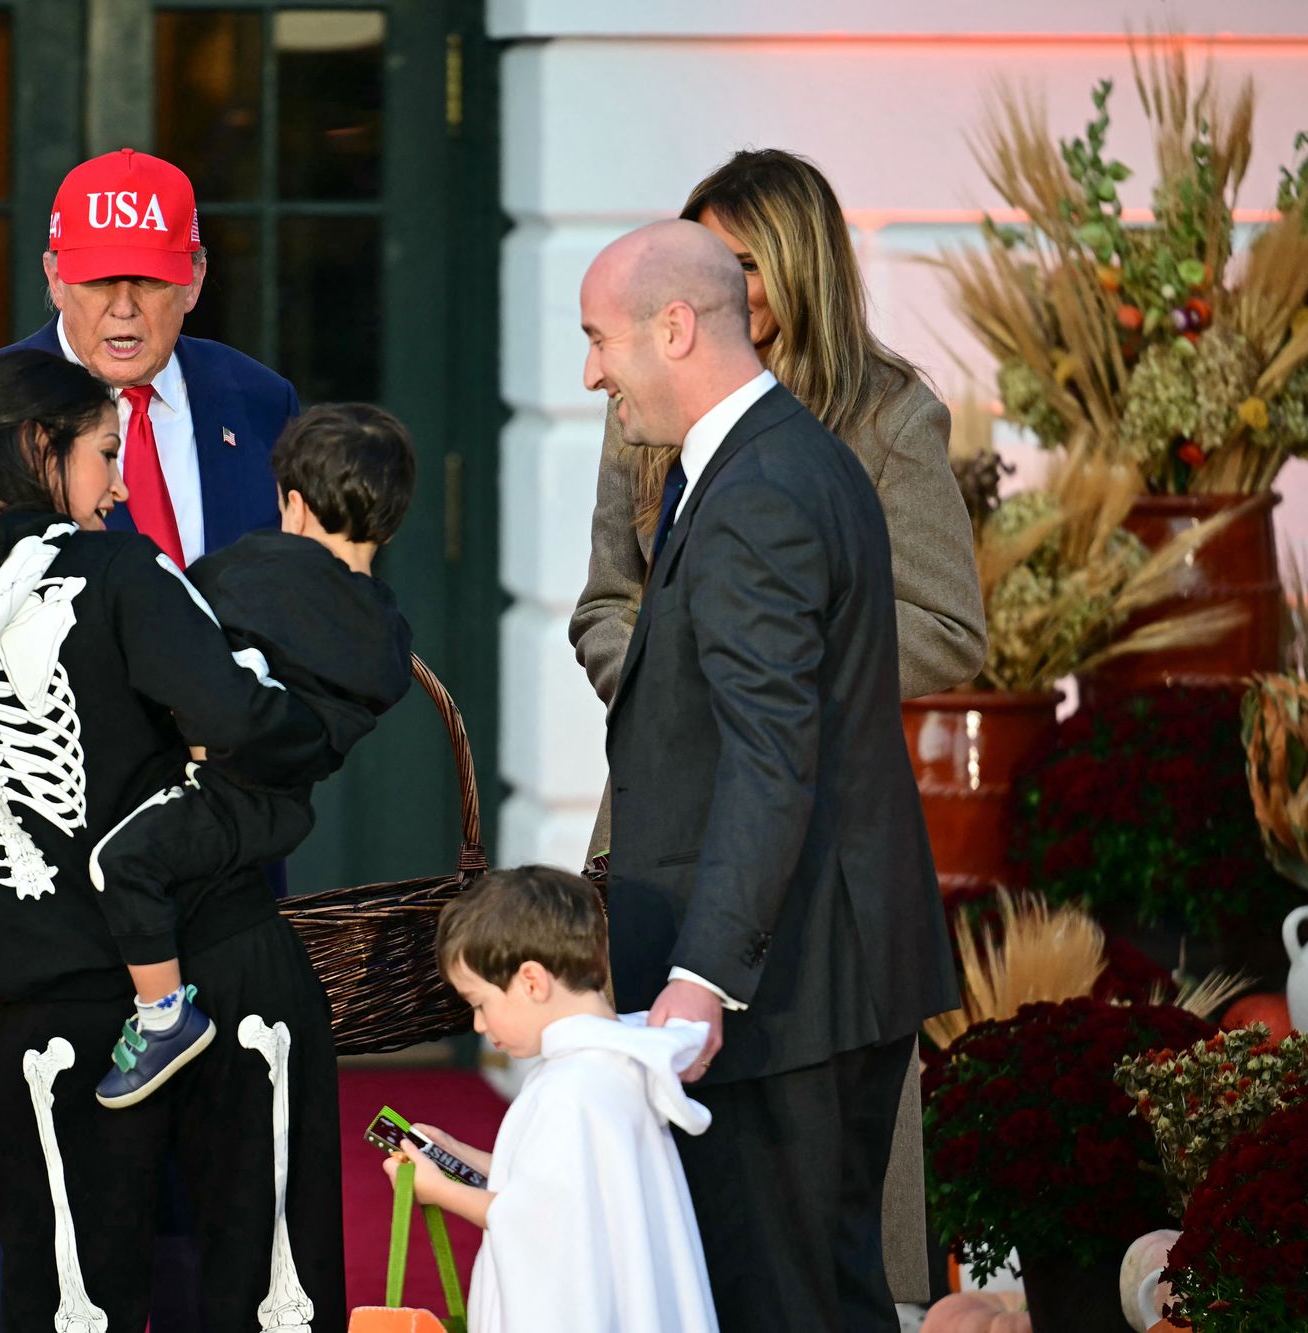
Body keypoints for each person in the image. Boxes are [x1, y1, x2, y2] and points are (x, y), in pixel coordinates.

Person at [0, 147, 302, 1331]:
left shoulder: (259, 405)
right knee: (13, 1183)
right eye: (94, 279)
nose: (120, 307)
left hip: (208, 853)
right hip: (28, 863)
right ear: (50, 276)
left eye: (146, 278)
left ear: (193, 278)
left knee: (209, 1179)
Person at [568, 147, 983, 1306]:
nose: (590, 373)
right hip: (809, 956)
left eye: (599, 339)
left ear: (674, 329)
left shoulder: (764, 484)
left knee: (777, 1296)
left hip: (782, 974)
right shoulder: (785, 455)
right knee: (820, 1293)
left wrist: (701, 976)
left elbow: (769, 752)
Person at [87, 402, 416, 1108]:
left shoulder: (247, 572)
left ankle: (164, 1014)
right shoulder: (386, 627)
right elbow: (373, 695)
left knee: (121, 862)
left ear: (290, 501)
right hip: (281, 816)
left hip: (216, 789)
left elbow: (175, 644)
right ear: (389, 523)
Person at [382, 865, 719, 1333]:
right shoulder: (614, 1061)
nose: (479, 1025)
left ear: (532, 982)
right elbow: (551, 1185)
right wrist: (455, 1154)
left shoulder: (570, 1088)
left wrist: (438, 1190)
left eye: (479, 1003)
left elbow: (535, 1220)